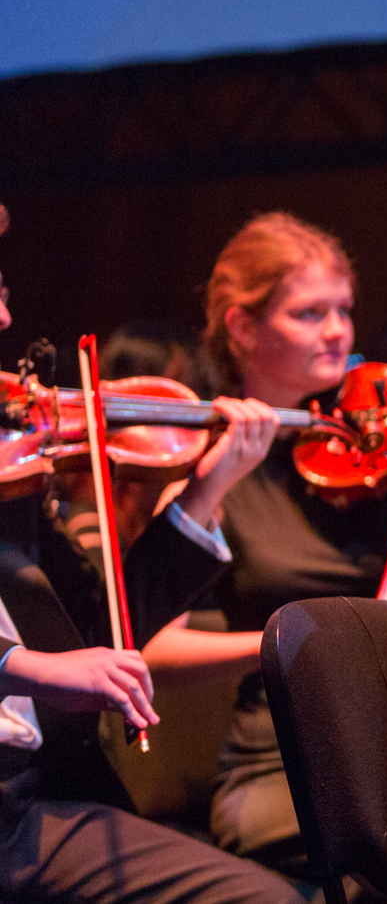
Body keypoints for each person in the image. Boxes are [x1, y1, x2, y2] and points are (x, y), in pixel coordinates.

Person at [0, 208, 301, 903]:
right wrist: (34, 669)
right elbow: (54, 662)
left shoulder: (15, 473)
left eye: (6, 295)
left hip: (31, 799)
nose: (7, 324)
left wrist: (207, 488)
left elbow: (101, 629)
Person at [138, 213, 387, 880]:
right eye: (309, 312)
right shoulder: (206, 464)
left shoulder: (378, 455)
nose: (337, 332)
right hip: (288, 759)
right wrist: (291, 640)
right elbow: (151, 647)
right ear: (242, 328)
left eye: (343, 310)